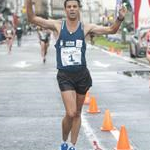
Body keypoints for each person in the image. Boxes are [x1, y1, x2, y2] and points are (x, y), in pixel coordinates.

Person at [26, 0, 127, 149]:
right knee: (71, 112)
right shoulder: (57, 25)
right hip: (65, 76)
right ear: (65, 9)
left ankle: (72, 145)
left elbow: (111, 30)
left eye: (75, 6)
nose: (72, 9)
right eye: (69, 7)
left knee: (78, 113)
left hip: (82, 76)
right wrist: (28, 2)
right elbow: (32, 18)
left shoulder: (86, 27)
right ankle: (64, 141)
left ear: (78, 9)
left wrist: (119, 18)